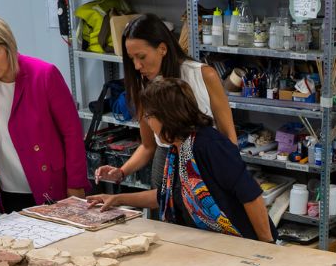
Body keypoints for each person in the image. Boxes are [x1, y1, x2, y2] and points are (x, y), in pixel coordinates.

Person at [89, 77, 273, 243]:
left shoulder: (209, 144)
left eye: (148, 116)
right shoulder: (179, 148)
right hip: (211, 242)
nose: (145, 122)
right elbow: (166, 196)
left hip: (242, 241)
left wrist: (266, 244)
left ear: (167, 116)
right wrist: (116, 199)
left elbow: (251, 195)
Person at [0, 15, 87, 215]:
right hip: (5, 188)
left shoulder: (44, 75)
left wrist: (76, 183)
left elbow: (72, 133)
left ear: (9, 46)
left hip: (49, 184)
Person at [92, 14, 235, 190]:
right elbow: (147, 145)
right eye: (131, 58)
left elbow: (229, 138)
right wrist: (121, 171)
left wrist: (233, 179)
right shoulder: (143, 85)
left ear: (162, 49)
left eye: (141, 56)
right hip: (167, 164)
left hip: (206, 162)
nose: (136, 66)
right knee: (165, 214)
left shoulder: (204, 75)